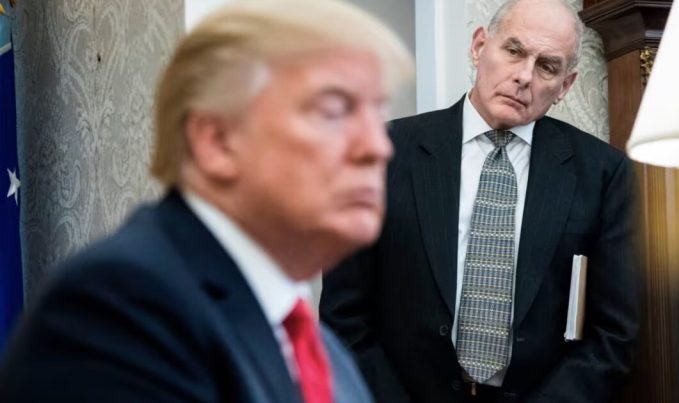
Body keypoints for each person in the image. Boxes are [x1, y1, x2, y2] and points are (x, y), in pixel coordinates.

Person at [0, 1, 412, 402]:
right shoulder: (122, 309)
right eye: (334, 111)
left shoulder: (326, 354)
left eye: (378, 114)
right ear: (217, 141)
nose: (378, 147)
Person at [320, 0, 638, 402]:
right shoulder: (384, 151)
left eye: (547, 66)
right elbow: (344, 317)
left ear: (565, 85)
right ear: (478, 46)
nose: (524, 76)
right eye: (514, 50)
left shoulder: (602, 173)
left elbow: (612, 336)